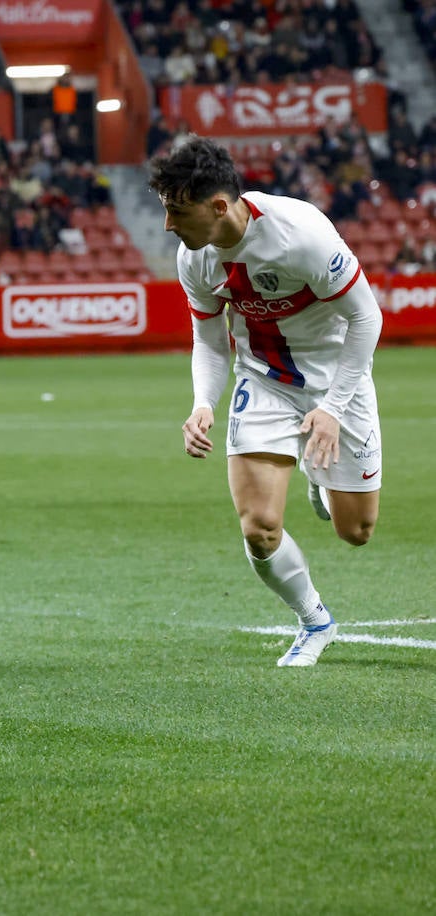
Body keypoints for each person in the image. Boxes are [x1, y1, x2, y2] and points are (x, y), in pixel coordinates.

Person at [150, 136, 383, 668]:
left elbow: (368, 319)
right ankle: (314, 621)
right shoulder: (194, 257)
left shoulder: (301, 233)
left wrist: (334, 407)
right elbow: (209, 339)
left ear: (217, 206)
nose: (169, 226)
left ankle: (320, 480)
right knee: (258, 526)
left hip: (337, 383)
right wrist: (203, 402)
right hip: (266, 381)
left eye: (176, 212)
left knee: (357, 531)